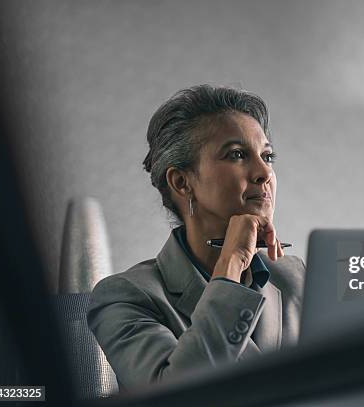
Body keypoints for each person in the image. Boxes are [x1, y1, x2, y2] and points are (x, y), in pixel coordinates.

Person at [87, 85, 306, 389]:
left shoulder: (295, 277)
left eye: (267, 156)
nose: (264, 173)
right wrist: (231, 263)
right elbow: (177, 396)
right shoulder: (126, 296)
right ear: (181, 182)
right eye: (238, 155)